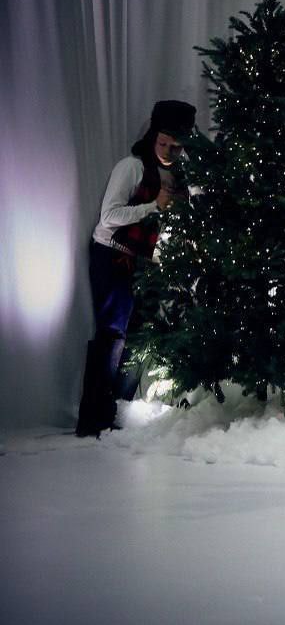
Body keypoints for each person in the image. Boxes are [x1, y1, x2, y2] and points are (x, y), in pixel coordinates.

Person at [78, 99, 196, 436]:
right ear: (153, 136)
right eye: (163, 143)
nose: (169, 152)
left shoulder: (182, 175)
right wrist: (152, 206)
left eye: (176, 146)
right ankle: (94, 419)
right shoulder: (131, 167)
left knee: (139, 336)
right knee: (112, 333)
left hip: (146, 262)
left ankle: (117, 411)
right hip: (113, 254)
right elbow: (109, 217)